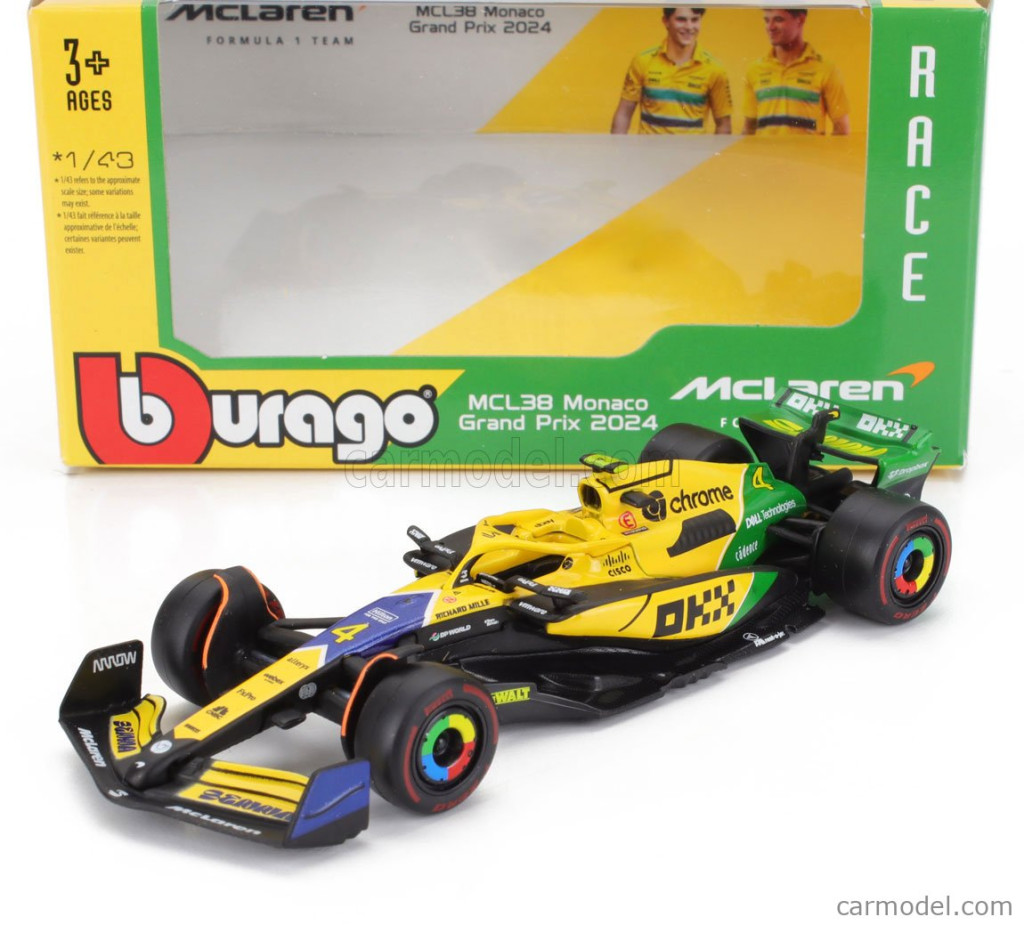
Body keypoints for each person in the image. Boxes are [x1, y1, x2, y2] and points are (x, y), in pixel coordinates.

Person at [611, 7, 732, 135]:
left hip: (691, 148)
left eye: (695, 20)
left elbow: (724, 125)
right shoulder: (643, 61)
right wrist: (617, 147)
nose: (689, 27)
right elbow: (624, 114)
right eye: (681, 19)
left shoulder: (715, 69)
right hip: (648, 148)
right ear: (666, 21)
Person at [743, 8, 850, 135]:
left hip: (809, 149)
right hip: (766, 149)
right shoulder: (755, 70)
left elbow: (842, 129)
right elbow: (748, 129)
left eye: (778, 19)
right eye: (767, 20)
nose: (770, 27)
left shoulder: (826, 69)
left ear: (800, 20)